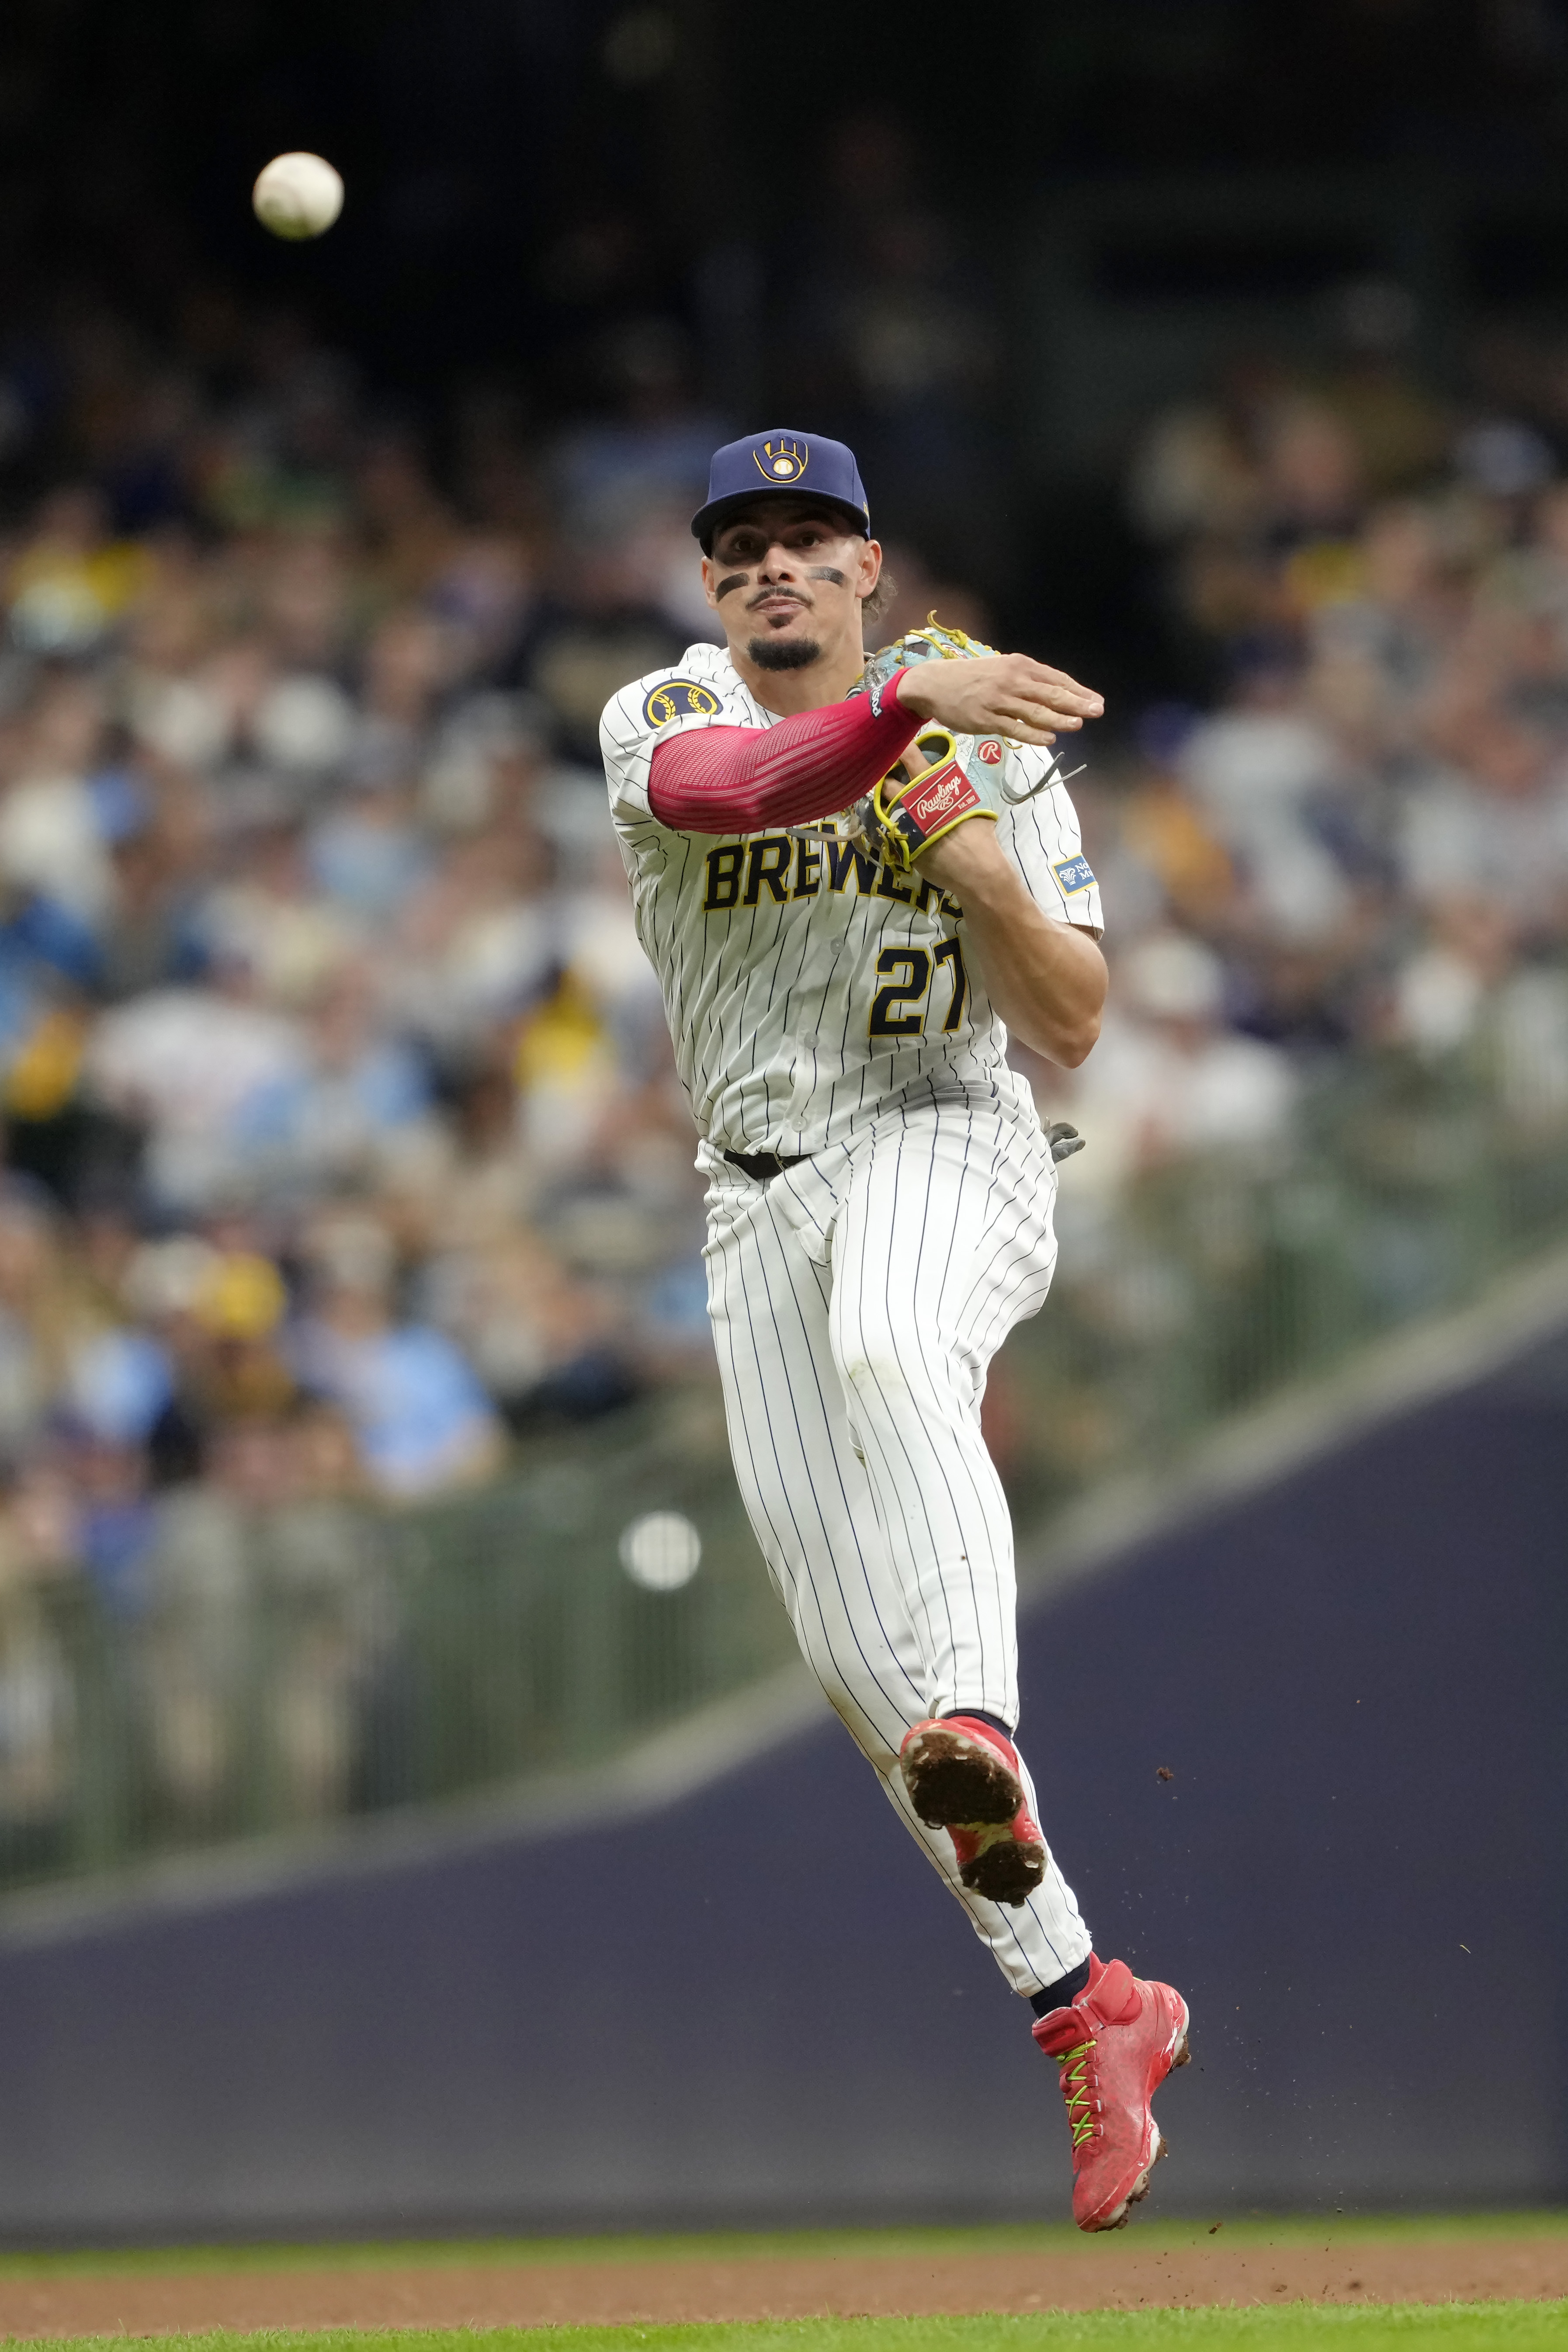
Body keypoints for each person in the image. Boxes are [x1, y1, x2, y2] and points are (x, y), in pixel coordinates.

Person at [600, 430, 1189, 2232]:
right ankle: (1090, 2001)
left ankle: (984, 1719)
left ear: (869, 565)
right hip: (755, 1186)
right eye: (743, 543)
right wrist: (912, 705)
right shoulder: (658, 710)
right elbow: (729, 791)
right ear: (714, 584)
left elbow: (1072, 1013)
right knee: (857, 1666)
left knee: (889, 1347)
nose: (773, 566)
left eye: (809, 539)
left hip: (946, 1129)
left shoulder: (991, 743)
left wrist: (976, 865)